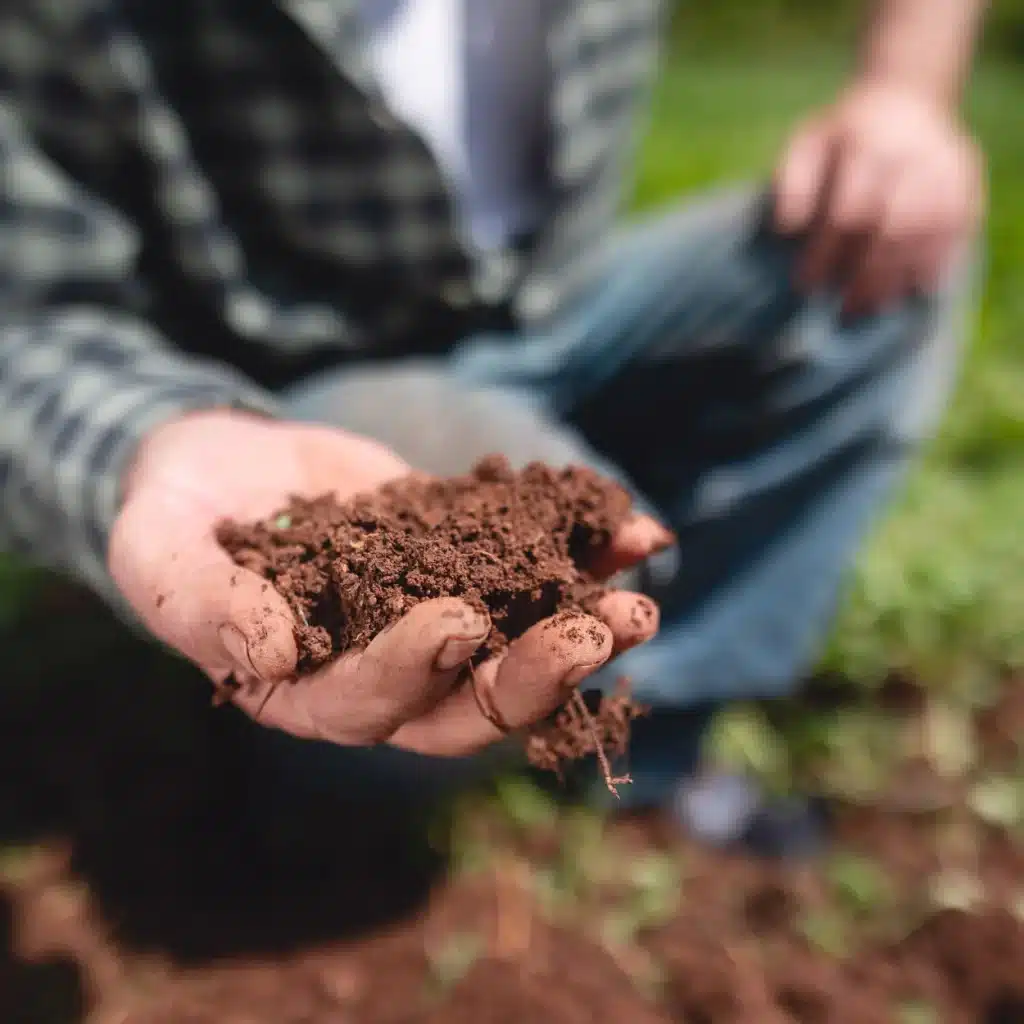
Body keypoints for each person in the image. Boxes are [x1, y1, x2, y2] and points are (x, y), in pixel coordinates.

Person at [0, 1, 984, 842]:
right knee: (465, 626)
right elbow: (22, 318)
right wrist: (161, 435)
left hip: (565, 296)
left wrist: (904, 93)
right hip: (303, 385)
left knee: (883, 266)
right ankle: (310, 806)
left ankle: (648, 740)